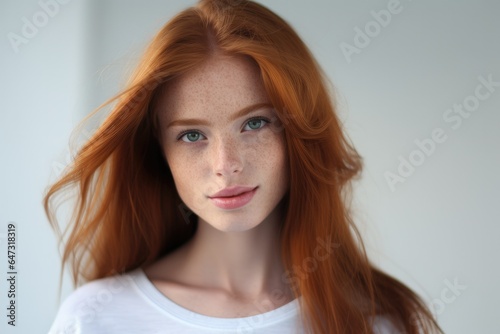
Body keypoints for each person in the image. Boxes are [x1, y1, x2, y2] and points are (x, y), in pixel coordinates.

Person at [44, 0, 443, 333]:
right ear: (159, 153)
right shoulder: (95, 319)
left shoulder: (377, 318)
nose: (226, 165)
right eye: (191, 135)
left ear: (298, 135)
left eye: (255, 123)